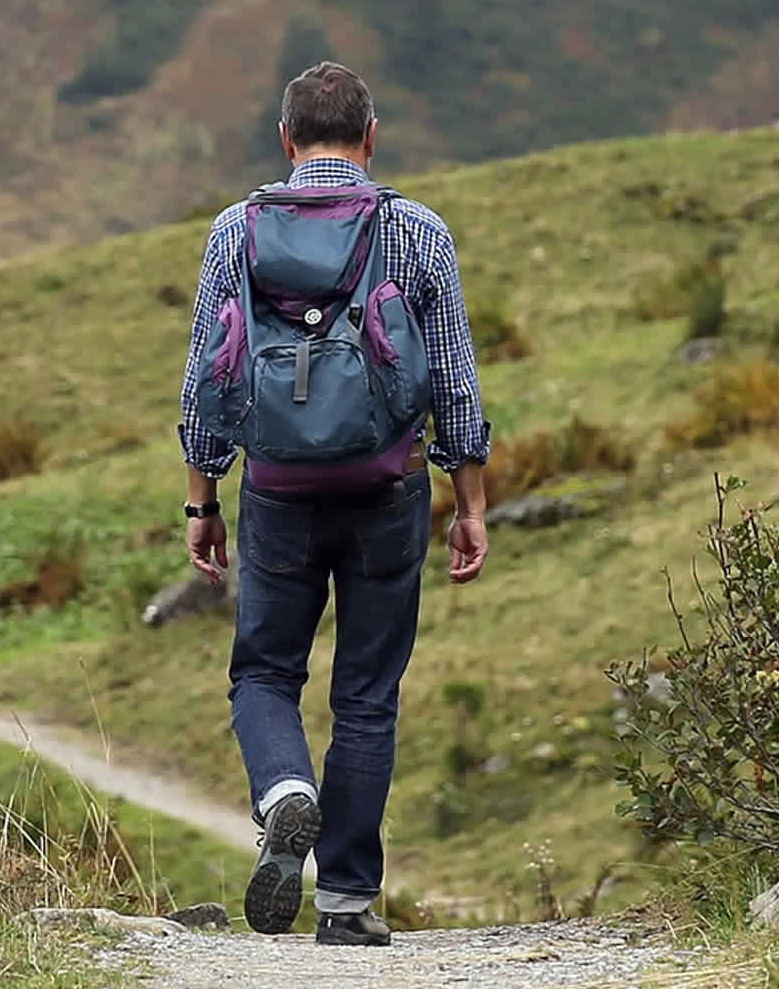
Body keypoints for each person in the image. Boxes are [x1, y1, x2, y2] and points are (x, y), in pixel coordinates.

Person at [175, 61, 492, 946]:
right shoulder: (417, 231)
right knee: (366, 696)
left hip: (276, 490)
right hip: (388, 488)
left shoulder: (236, 231)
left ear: (285, 140)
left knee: (265, 673)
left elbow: (208, 373)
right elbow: (457, 382)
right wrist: (469, 501)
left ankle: (285, 791)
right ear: (370, 136)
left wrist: (202, 499)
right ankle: (347, 902)